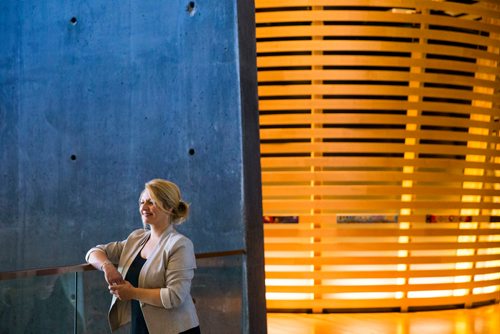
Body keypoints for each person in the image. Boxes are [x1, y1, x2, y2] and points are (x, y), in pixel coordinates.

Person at [85, 179, 200, 334]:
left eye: (151, 202)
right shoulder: (136, 238)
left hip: (175, 330)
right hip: (140, 327)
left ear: (169, 207)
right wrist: (107, 266)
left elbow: (174, 296)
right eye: (141, 202)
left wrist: (132, 293)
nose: (144, 208)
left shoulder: (180, 244)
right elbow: (94, 252)